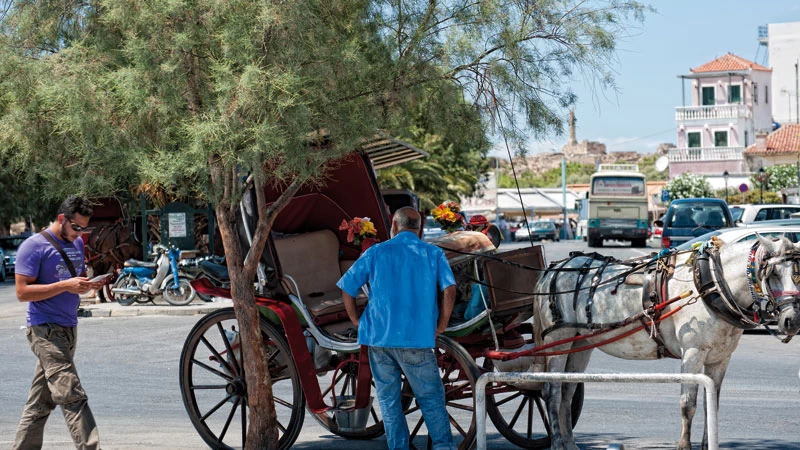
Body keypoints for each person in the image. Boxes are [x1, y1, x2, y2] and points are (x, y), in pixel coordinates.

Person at [337, 207, 457, 450]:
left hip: (379, 339)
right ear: (420, 229)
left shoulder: (375, 252)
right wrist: (442, 324)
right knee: (431, 400)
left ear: (394, 226)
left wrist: (357, 322)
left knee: (389, 403)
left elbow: (347, 287)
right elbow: (450, 289)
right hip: (417, 340)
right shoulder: (432, 253)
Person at [12, 196, 105, 450]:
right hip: (45, 330)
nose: (79, 233)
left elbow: (76, 284)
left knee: (39, 405)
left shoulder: (76, 244)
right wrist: (66, 285)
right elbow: (22, 292)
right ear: (62, 219)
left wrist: (87, 286)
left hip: (68, 329)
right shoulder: (33, 247)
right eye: (76, 227)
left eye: (84, 229)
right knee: (72, 394)